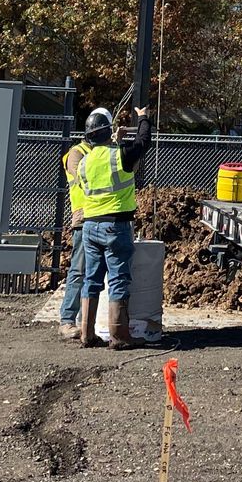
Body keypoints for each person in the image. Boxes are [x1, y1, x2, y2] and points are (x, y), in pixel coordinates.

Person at [78, 103, 155, 349]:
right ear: (107, 131)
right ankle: (119, 337)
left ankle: (86, 335)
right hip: (115, 226)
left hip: (90, 227)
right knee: (119, 279)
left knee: (91, 279)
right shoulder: (119, 155)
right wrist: (143, 119)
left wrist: (115, 140)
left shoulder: (84, 162)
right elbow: (143, 143)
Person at [56, 116, 97, 341]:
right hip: (83, 218)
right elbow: (82, 175)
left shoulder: (100, 151)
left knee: (93, 273)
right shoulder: (76, 153)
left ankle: (86, 321)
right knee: (79, 270)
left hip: (100, 216)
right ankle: (67, 320)